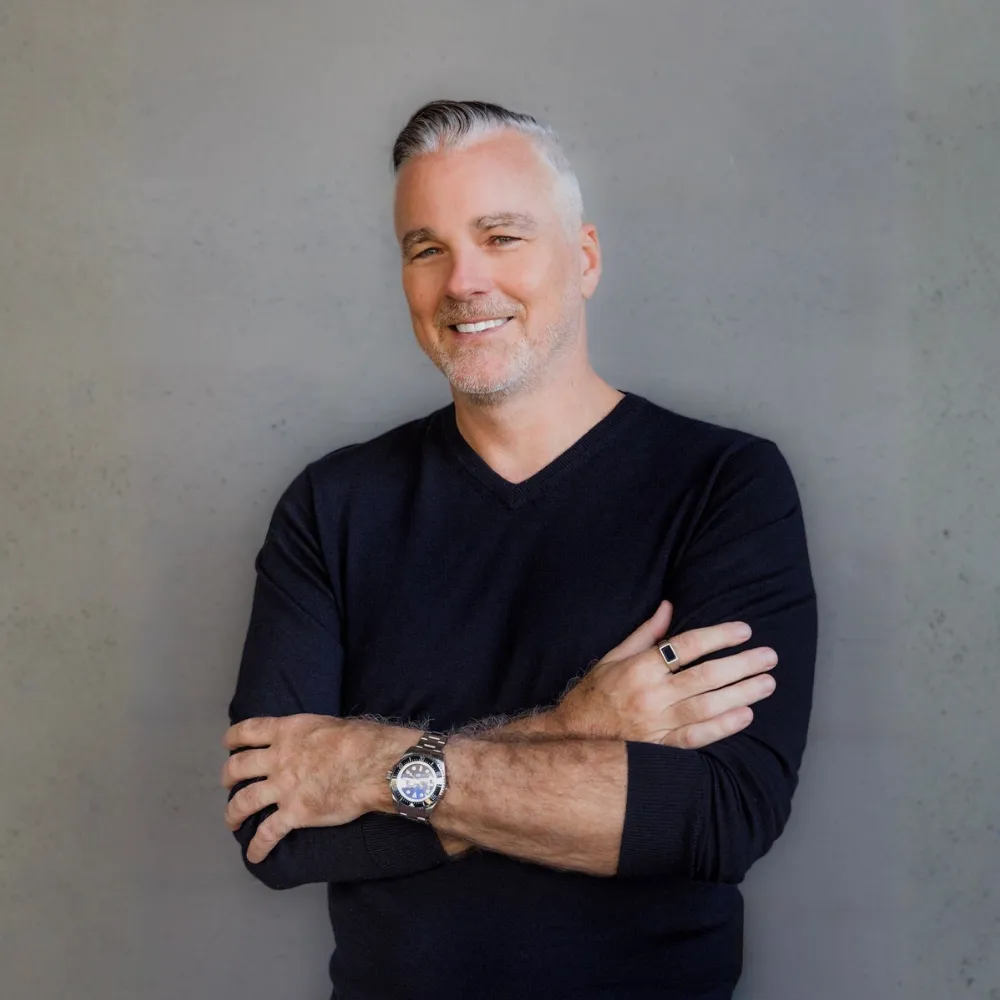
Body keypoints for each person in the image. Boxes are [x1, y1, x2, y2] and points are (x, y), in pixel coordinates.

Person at [221, 99, 817, 1000]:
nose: (464, 281)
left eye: (501, 237)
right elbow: (278, 830)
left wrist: (369, 768)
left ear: (584, 259)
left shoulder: (725, 485)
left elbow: (715, 819)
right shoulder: (332, 505)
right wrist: (577, 729)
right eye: (427, 248)